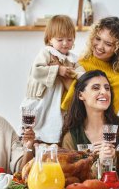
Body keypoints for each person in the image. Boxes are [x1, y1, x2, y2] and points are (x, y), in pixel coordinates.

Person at [59, 70, 119, 179]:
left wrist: (117, 156)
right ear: (81, 95)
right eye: (96, 88)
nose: (104, 92)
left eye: (107, 88)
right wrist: (100, 163)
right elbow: (72, 181)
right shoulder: (71, 137)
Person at [21, 15, 85, 143]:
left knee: (54, 119)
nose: (65, 43)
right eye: (60, 39)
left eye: (69, 39)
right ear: (50, 39)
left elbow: (81, 73)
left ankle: (50, 141)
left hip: (56, 98)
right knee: (37, 119)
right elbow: (36, 70)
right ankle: (31, 141)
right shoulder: (46, 53)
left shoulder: (72, 58)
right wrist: (58, 70)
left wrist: (79, 76)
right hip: (42, 96)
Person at [61, 16, 119, 114]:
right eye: (98, 38)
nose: (100, 47)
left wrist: (66, 80)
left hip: (86, 127)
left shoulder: (118, 78)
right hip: (54, 121)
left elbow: (110, 119)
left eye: (108, 44)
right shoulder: (79, 61)